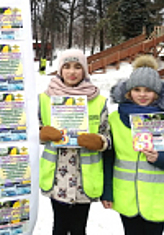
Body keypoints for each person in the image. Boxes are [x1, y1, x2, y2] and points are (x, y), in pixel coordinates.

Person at [102, 55, 164, 235]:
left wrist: (161, 158)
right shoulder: (115, 119)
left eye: (148, 90)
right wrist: (107, 193)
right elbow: (108, 159)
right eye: (137, 89)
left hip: (157, 201)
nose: (142, 95)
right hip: (126, 198)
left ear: (157, 93)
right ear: (128, 92)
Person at [39, 49, 111, 235]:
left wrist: (100, 141)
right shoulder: (45, 98)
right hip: (57, 177)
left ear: (85, 71)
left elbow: (108, 136)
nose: (72, 72)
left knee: (79, 229)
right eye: (67, 67)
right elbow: (31, 131)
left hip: (85, 177)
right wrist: (42, 133)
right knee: (60, 227)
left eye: (78, 67)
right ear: (60, 70)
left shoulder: (98, 100)